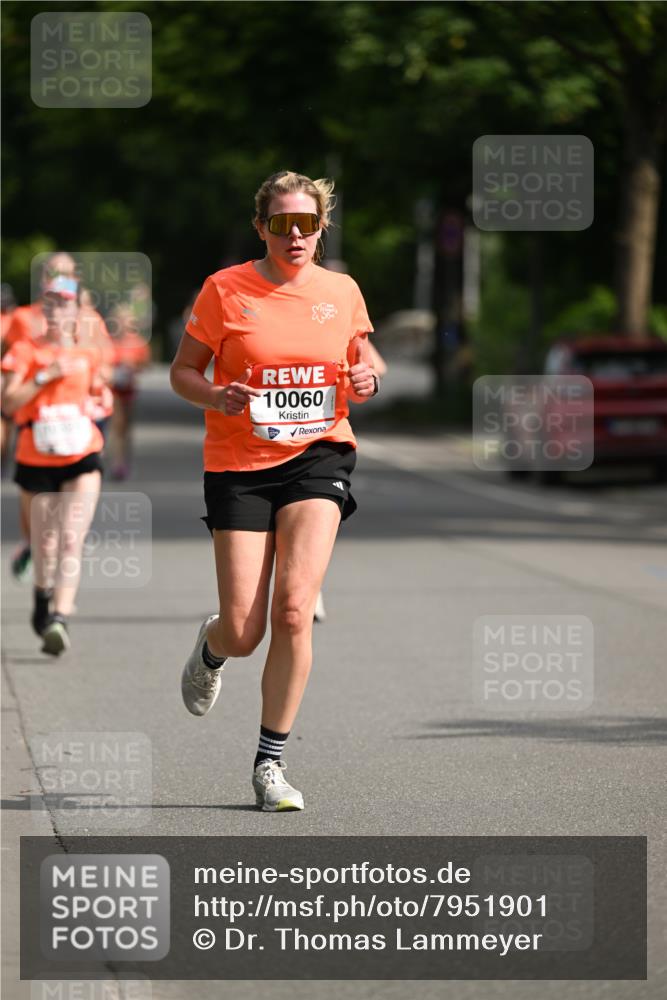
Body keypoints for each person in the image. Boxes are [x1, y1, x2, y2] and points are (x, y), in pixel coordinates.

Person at [170, 170, 378, 811]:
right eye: (282, 223)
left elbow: (365, 358)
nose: (295, 235)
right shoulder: (225, 290)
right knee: (245, 628)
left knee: (294, 608)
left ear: (322, 228)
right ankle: (212, 647)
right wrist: (216, 394)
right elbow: (183, 372)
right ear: (261, 227)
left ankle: (270, 764)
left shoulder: (340, 290)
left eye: (307, 224)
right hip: (239, 463)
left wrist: (368, 377)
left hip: (319, 454)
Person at [1, 275, 104, 655]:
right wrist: (45, 376)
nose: (58, 310)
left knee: (70, 538)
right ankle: (42, 600)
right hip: (36, 457)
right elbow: (9, 404)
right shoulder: (25, 351)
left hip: (82, 453)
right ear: (44, 310)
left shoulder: (89, 353)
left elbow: (98, 393)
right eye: (52, 303)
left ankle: (59, 618)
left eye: (66, 303)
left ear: (77, 309)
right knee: (44, 542)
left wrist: (101, 398)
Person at [107, 301, 151, 480]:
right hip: (113, 389)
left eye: (127, 319)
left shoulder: (138, 342)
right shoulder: (109, 341)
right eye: (120, 319)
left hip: (129, 389)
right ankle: (117, 463)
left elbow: (146, 364)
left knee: (126, 427)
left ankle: (125, 458)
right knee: (117, 424)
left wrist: (133, 366)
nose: (123, 323)